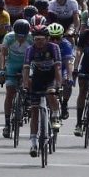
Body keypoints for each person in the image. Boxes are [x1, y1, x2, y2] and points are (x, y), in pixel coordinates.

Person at [24, 24, 63, 157]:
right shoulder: (30, 50)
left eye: (41, 39)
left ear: (47, 39)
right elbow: (26, 68)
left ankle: (55, 115)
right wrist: (25, 86)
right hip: (38, 78)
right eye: (36, 39)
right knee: (34, 111)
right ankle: (34, 143)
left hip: (51, 77)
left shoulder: (54, 47)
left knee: (51, 94)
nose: (38, 42)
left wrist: (59, 85)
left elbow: (58, 68)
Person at [0, 19, 32, 137]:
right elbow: (2, 54)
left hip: (27, 64)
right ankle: (7, 124)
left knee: (29, 79)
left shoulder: (31, 38)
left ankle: (28, 98)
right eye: (18, 36)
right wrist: (2, 69)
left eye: (23, 36)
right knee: (9, 92)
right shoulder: (9, 37)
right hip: (12, 64)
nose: (21, 38)